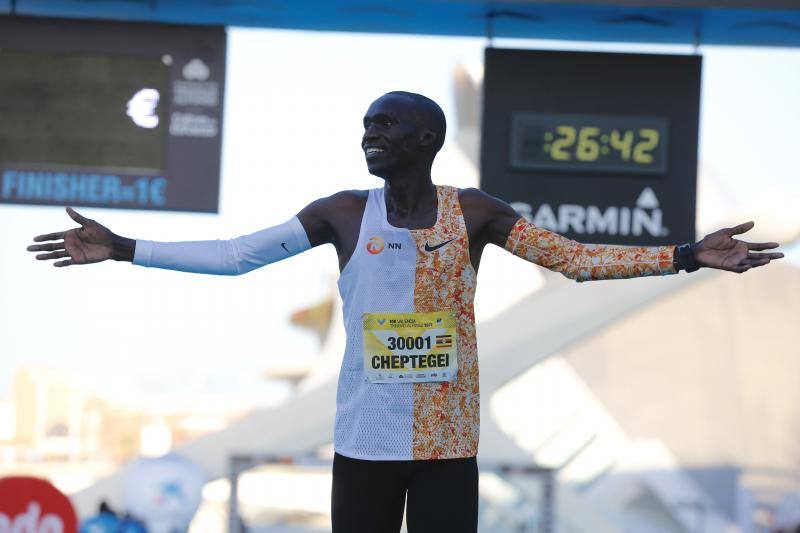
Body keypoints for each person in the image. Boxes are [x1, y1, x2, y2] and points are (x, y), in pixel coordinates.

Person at [28, 91, 784, 533]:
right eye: (365, 127)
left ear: (427, 138)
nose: (369, 135)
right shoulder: (342, 213)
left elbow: (575, 260)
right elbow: (236, 256)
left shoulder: (477, 212)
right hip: (364, 442)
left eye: (385, 125)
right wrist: (126, 246)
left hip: (448, 445)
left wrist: (685, 255)